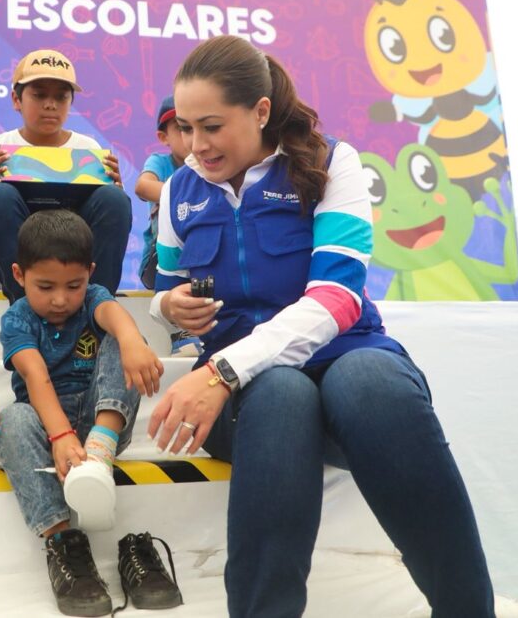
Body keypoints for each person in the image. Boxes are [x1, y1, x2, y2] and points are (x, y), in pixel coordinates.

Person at [145, 36, 495, 618]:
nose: (197, 146)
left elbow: (337, 297)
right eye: (185, 127)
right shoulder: (180, 188)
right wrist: (168, 307)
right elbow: (166, 287)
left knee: (371, 384)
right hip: (248, 399)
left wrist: (220, 370)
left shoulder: (332, 163)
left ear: (260, 111)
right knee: (281, 393)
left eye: (212, 126)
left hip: (337, 365)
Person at [0, 210, 180, 616]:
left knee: (124, 338)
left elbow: (113, 316)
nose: (60, 299)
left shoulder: (94, 298)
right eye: (45, 287)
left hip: (101, 420)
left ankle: (99, 451)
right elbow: (36, 376)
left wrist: (133, 340)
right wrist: (59, 436)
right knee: (11, 420)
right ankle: (65, 545)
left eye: (73, 285)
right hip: (48, 430)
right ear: (19, 275)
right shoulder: (17, 319)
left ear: (90, 275)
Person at [0, 48, 132, 303]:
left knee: (114, 199)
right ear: (16, 99)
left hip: (76, 268)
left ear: (71, 102)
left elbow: (109, 225)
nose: (50, 104)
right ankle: (25, 311)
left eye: (61, 97)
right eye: (39, 95)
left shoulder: (88, 149)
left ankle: (98, 308)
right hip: (14, 274)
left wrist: (114, 191)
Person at [134, 95, 201, 358]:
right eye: (182, 128)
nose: (192, 137)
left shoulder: (213, 168)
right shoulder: (161, 163)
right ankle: (180, 331)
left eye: (199, 127)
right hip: (158, 262)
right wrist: (182, 198)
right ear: (164, 137)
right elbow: (143, 186)